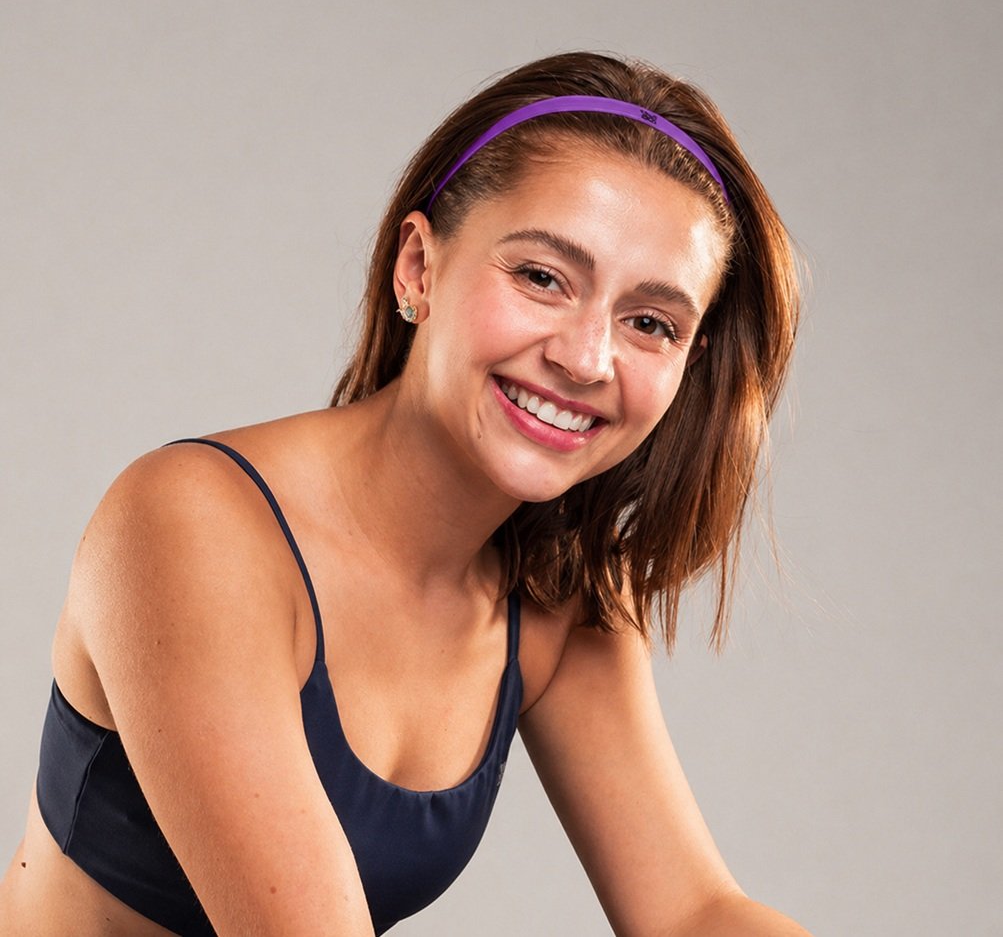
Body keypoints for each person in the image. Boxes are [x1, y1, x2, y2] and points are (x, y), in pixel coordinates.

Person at [0, 51, 811, 936]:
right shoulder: (188, 525)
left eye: (649, 323)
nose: (586, 359)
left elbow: (693, 909)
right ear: (419, 267)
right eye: (541, 277)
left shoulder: (560, 595)